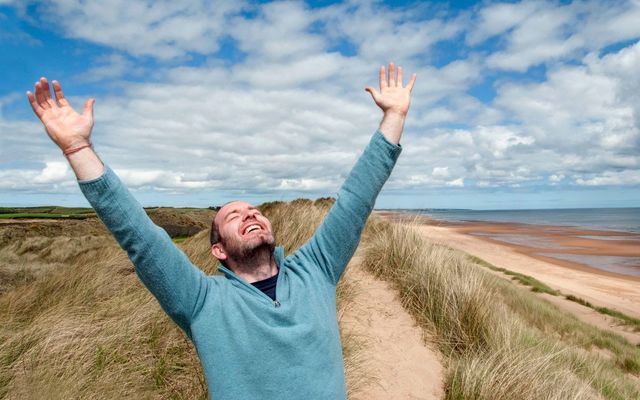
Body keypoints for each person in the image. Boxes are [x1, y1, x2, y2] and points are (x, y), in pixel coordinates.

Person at [27, 63, 416, 399]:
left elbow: (355, 199)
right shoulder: (201, 302)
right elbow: (140, 238)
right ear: (218, 251)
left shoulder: (317, 270)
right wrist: (78, 149)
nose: (251, 215)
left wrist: (394, 117)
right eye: (234, 216)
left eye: (255, 211)